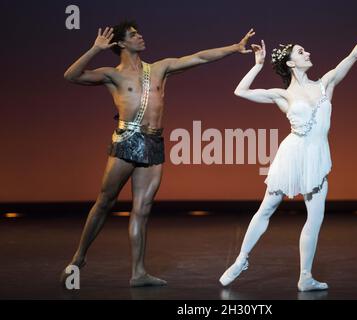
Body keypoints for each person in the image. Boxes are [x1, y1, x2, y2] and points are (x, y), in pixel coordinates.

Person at [61, 20, 255, 287]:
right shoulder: (113, 75)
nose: (140, 36)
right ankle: (79, 257)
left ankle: (138, 273)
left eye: (140, 32)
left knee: (143, 209)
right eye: (133, 35)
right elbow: (71, 76)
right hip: (128, 139)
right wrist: (95, 49)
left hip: (153, 143)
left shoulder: (159, 69)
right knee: (105, 202)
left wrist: (234, 48)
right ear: (121, 43)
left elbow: (198, 58)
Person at [219, 10, 357, 291]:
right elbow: (240, 92)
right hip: (292, 154)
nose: (307, 52)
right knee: (266, 208)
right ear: (291, 62)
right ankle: (241, 259)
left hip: (317, 156)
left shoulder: (325, 83)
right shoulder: (283, 96)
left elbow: (352, 56)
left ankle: (305, 276)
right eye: (301, 51)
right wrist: (257, 64)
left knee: (315, 218)